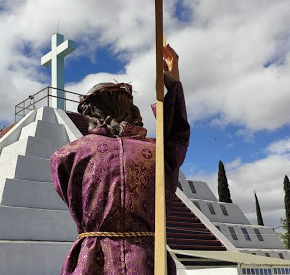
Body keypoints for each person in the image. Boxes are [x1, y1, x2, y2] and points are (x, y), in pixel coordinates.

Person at [50, 45, 190, 275]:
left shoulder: (67, 155)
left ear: (90, 112)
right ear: (130, 108)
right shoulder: (159, 152)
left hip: (93, 261)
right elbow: (177, 134)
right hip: (148, 262)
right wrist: (173, 85)